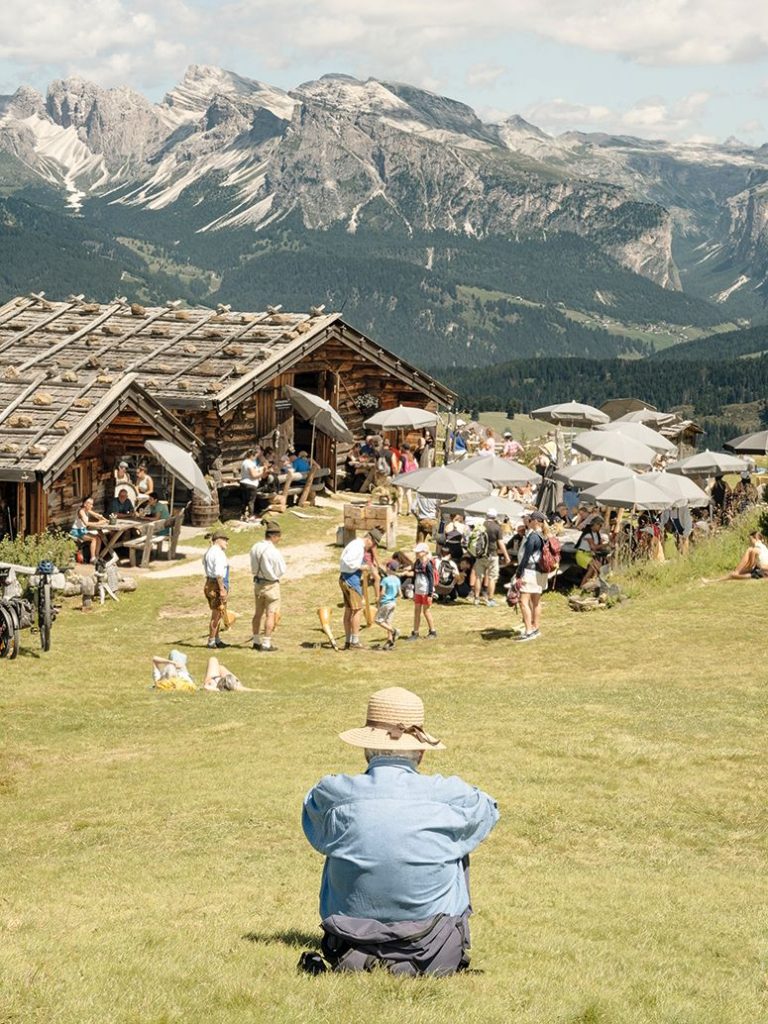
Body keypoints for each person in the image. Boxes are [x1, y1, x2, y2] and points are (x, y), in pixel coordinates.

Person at [301, 686, 499, 975]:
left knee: (341, 837)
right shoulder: (450, 794)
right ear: (420, 751)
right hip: (435, 953)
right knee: (459, 841)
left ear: (366, 747)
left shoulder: (332, 793)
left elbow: (311, 814)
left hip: (348, 947)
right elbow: (489, 809)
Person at [339, 529, 383, 650]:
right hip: (350, 579)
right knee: (357, 610)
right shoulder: (358, 547)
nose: (372, 547)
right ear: (369, 539)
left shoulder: (355, 544)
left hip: (345, 577)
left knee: (349, 610)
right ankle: (354, 641)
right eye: (373, 544)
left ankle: (348, 641)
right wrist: (362, 567)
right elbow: (348, 562)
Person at [249, 523, 286, 651]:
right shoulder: (273, 551)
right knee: (271, 614)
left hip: (258, 583)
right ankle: (266, 642)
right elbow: (281, 570)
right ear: (274, 536)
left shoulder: (255, 547)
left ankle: (255, 640)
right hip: (271, 584)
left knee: (257, 614)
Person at [513, 510, 549, 641]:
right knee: (536, 602)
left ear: (535, 521)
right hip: (541, 573)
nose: (529, 522)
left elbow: (526, 557)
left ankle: (528, 631)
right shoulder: (544, 536)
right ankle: (535, 627)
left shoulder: (533, 537)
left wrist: (518, 573)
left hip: (529, 572)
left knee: (523, 602)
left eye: (530, 520)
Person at [472, 510, 510, 607]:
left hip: (480, 555)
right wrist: (506, 556)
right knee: (492, 577)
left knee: (478, 577)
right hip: (493, 555)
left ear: (486, 516)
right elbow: (500, 543)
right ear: (495, 517)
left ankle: (476, 598)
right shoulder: (497, 528)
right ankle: (490, 599)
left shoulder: (481, 526)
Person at [203, 531, 230, 649]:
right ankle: (211, 641)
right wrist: (222, 589)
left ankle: (217, 639)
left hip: (209, 582)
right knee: (217, 614)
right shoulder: (218, 553)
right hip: (216, 584)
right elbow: (219, 574)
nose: (227, 543)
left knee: (218, 612)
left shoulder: (209, 551)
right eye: (225, 540)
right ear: (217, 540)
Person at [405, 542, 437, 640]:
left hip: (426, 591)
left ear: (424, 552)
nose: (417, 554)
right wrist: (414, 590)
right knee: (417, 611)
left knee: (426, 611)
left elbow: (431, 579)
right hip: (418, 591)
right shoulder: (417, 562)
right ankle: (415, 632)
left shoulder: (428, 564)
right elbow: (415, 575)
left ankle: (432, 631)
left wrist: (430, 594)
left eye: (418, 552)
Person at [70, 496, 108, 562]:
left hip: (83, 531)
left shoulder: (87, 510)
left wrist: (106, 520)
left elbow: (97, 515)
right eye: (90, 504)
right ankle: (92, 558)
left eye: (92, 504)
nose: (92, 506)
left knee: (99, 538)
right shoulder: (81, 511)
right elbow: (86, 523)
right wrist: (99, 523)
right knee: (94, 538)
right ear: (85, 504)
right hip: (76, 531)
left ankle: (97, 556)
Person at [575, 515, 610, 586]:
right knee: (596, 567)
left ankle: (586, 585)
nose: (600, 527)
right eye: (600, 525)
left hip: (589, 555)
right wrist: (605, 545)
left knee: (596, 568)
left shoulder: (596, 533)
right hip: (582, 555)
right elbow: (593, 547)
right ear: (595, 524)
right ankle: (584, 585)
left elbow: (599, 545)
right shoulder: (588, 534)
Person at [375, 565, 401, 649]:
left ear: (389, 569)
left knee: (378, 620)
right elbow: (399, 593)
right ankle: (390, 641)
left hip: (386, 603)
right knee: (388, 622)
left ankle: (394, 631)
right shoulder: (397, 579)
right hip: (393, 603)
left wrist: (378, 600)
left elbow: (382, 593)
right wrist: (392, 596)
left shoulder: (385, 580)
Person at [240, 447, 264, 520]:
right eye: (255, 456)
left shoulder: (244, 462)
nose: (255, 458)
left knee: (244, 501)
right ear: (252, 455)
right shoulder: (250, 463)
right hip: (250, 484)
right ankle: (250, 516)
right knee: (251, 501)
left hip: (243, 483)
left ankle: (243, 515)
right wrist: (261, 473)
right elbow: (253, 476)